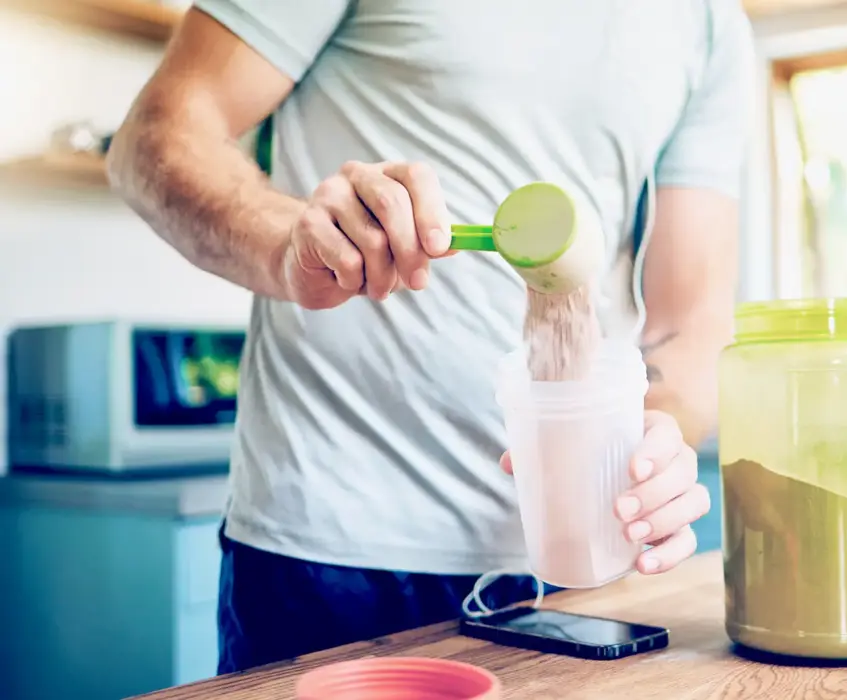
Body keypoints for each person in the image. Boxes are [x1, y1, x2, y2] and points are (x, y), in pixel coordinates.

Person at [108, 0, 753, 674]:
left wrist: (655, 446)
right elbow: (155, 138)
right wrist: (287, 246)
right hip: (331, 553)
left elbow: (691, 326)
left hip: (575, 576)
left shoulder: (708, 23)